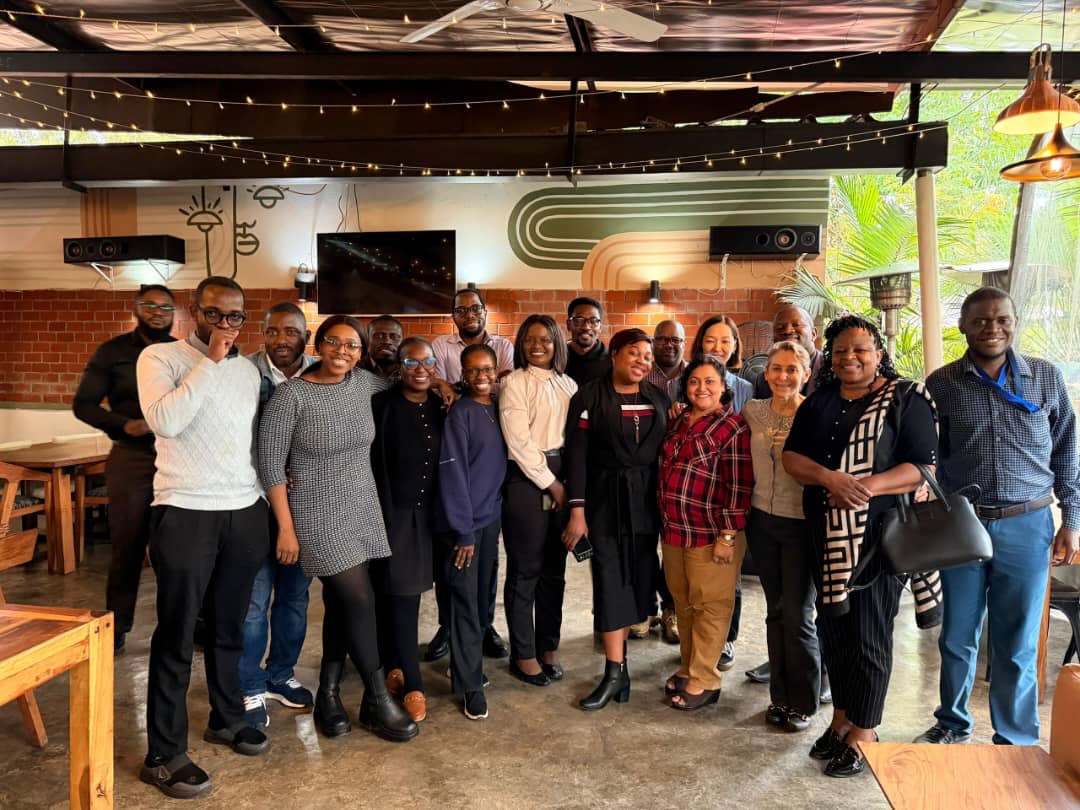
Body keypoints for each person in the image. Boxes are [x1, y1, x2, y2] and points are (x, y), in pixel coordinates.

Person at [915, 287, 1080, 747]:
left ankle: (1015, 737)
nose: (993, 328)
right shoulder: (943, 384)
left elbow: (1067, 449)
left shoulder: (1045, 377)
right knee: (957, 635)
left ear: (1015, 322)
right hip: (962, 526)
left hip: (1028, 524)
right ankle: (952, 723)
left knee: (1018, 639)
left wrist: (1072, 519)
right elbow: (928, 454)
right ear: (963, 326)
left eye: (1002, 319)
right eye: (981, 320)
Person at [783, 313, 937, 778]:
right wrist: (828, 477)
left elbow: (922, 468)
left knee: (868, 634)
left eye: (860, 349)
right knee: (834, 628)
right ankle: (841, 719)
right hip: (825, 531)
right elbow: (792, 457)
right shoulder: (820, 400)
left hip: (877, 537)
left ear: (879, 354)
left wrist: (864, 487)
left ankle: (865, 732)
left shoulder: (906, 398)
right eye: (841, 350)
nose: (850, 357)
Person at [137, 276, 270, 799]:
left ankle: (227, 717)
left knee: (229, 625)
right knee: (176, 633)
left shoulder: (248, 372)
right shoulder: (161, 359)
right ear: (194, 311)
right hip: (185, 509)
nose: (225, 324)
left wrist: (259, 501)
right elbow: (166, 422)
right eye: (214, 314)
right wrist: (209, 361)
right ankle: (163, 754)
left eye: (235, 316)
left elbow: (246, 439)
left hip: (243, 509)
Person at [258, 315, 418, 744]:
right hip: (314, 512)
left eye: (351, 345)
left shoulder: (363, 383)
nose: (342, 352)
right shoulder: (291, 396)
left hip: (361, 506)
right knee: (360, 600)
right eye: (334, 342)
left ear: (360, 352)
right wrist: (285, 529)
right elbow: (270, 466)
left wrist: (439, 385)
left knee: (343, 601)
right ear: (319, 344)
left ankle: (328, 693)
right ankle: (376, 698)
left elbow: (402, 386)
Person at [563, 328, 669, 711]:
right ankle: (613, 671)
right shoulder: (589, 396)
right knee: (610, 582)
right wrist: (577, 511)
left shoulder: (659, 397)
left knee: (638, 581)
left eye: (647, 356)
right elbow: (576, 456)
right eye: (634, 353)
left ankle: (621, 670)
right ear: (615, 354)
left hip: (646, 504)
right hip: (603, 502)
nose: (642, 361)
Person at [72, 283, 177, 654]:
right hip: (132, 458)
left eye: (165, 307)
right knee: (128, 545)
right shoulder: (113, 352)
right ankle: (116, 626)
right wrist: (123, 424)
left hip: (176, 458)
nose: (157, 313)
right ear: (136, 308)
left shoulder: (180, 351)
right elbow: (84, 404)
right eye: (150, 305)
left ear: (174, 313)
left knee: (178, 547)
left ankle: (184, 625)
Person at [657, 355, 752, 710]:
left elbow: (739, 486)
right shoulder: (679, 421)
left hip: (712, 534)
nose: (701, 388)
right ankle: (689, 668)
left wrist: (728, 536)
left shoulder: (734, 427)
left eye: (710, 381)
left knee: (710, 606)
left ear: (724, 387)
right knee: (683, 604)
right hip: (675, 530)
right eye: (694, 381)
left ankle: (706, 680)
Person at [237, 302, 316, 729]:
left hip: (304, 507)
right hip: (254, 504)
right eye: (273, 331)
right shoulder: (243, 372)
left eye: (291, 332)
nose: (281, 340)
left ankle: (280, 674)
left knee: (294, 598)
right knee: (253, 602)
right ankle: (249, 686)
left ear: (306, 336)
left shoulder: (322, 374)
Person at [426, 288, 512, 663]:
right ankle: (450, 628)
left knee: (487, 571)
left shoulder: (503, 347)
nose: (469, 314)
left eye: (475, 308)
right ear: (453, 315)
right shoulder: (440, 346)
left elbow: (506, 376)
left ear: (484, 311)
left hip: (491, 502)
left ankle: (484, 625)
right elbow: (431, 376)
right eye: (461, 310)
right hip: (457, 452)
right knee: (455, 573)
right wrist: (444, 385)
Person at [743, 341, 821, 732]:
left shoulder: (816, 414)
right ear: (766, 372)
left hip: (801, 525)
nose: (783, 376)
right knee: (775, 610)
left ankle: (804, 702)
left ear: (806, 374)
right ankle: (780, 696)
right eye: (776, 368)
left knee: (799, 614)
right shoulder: (753, 411)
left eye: (792, 369)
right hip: (762, 522)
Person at [499, 315, 577, 686]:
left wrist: (569, 484)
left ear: (557, 343)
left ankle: (548, 646)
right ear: (521, 344)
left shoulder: (568, 383)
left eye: (546, 339)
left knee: (554, 571)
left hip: (564, 473)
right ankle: (524, 653)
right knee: (525, 569)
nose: (537, 345)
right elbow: (518, 442)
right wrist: (552, 484)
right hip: (527, 479)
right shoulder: (514, 382)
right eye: (530, 339)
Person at [370, 337, 445, 723]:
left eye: (427, 362)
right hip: (394, 513)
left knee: (401, 593)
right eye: (411, 362)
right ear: (399, 367)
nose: (420, 369)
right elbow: (373, 461)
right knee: (402, 595)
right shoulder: (382, 405)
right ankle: (413, 683)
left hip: (433, 514)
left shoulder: (442, 404)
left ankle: (395, 665)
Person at [436, 344, 508, 720]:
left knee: (482, 599)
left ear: (497, 371)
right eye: (474, 370)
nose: (482, 376)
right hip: (464, 527)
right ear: (462, 374)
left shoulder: (497, 408)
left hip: (490, 521)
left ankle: (464, 665)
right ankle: (469, 684)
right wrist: (463, 531)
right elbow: (453, 475)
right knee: (463, 603)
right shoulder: (460, 414)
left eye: (488, 369)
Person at [685, 314, 752, 670]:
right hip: (692, 506)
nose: (718, 347)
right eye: (711, 340)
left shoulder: (746, 388)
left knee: (727, 579)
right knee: (693, 584)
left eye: (726, 341)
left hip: (727, 497)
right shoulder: (685, 383)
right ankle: (694, 649)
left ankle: (726, 640)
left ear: (736, 346)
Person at [634, 319, 686, 644]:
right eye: (663, 339)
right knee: (643, 545)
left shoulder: (694, 376)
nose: (669, 344)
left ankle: (671, 610)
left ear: (684, 343)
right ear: (654, 343)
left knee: (673, 549)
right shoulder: (640, 376)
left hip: (680, 478)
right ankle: (645, 607)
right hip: (644, 473)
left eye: (675, 340)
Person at [753, 305, 825, 398]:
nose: (787, 331)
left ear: (813, 333)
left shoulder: (831, 371)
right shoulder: (763, 381)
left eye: (796, 324)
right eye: (780, 327)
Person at [565, 296, 611, 385]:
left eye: (593, 321)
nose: (586, 327)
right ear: (569, 325)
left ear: (600, 327)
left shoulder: (612, 362)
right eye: (579, 320)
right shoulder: (557, 358)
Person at [363, 315, 404, 380]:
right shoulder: (354, 368)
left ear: (402, 341)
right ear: (367, 339)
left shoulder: (410, 368)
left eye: (394, 337)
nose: (387, 341)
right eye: (379, 336)